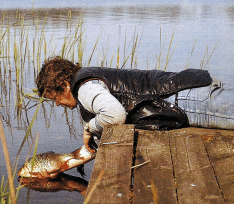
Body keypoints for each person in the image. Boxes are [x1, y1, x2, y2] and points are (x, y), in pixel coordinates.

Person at [36, 56, 226, 153]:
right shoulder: (88, 78)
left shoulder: (84, 88)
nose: (58, 104)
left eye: (55, 98)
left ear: (65, 86)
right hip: (189, 93)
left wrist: (89, 127)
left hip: (187, 100)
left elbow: (115, 115)